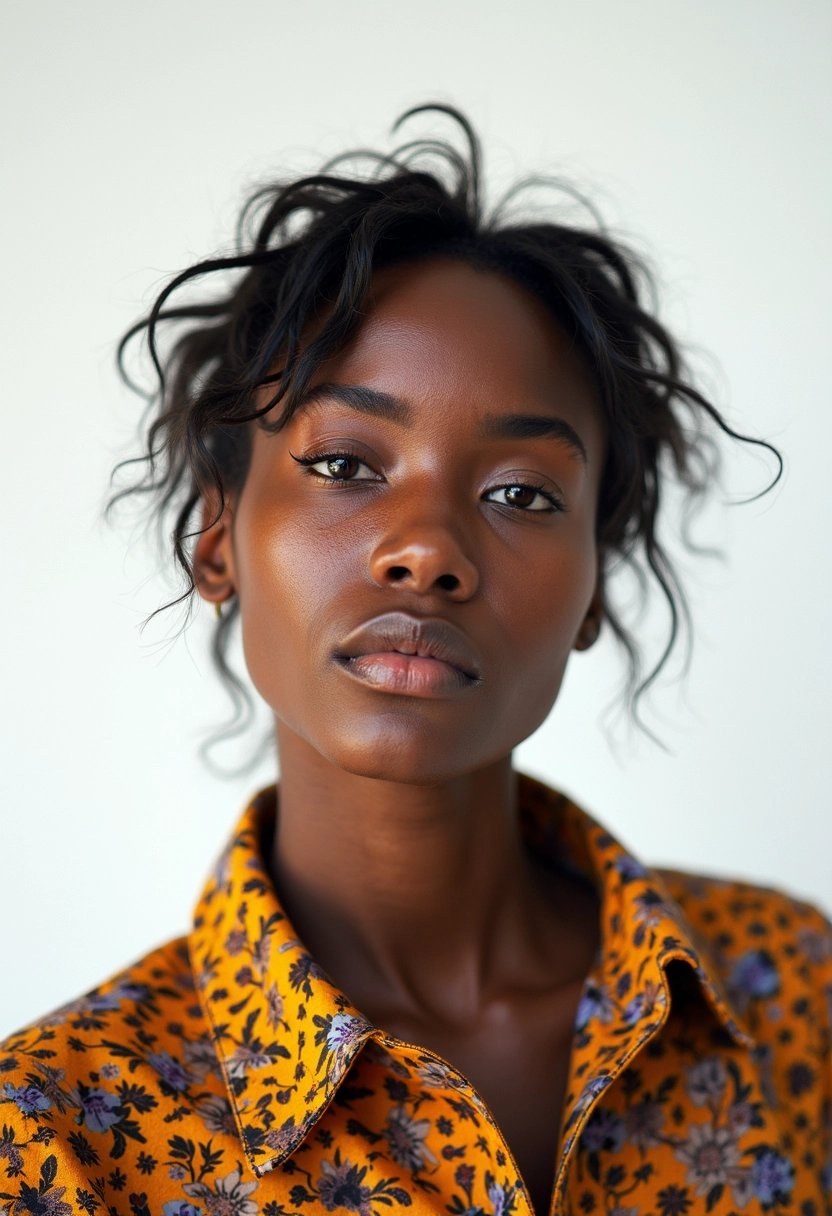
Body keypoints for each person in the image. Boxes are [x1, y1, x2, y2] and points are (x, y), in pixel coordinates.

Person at [1, 104, 829, 1216]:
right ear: (216, 538)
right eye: (346, 463)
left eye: (521, 493)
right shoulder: (49, 1138)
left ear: (592, 583)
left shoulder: (794, 992)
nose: (429, 552)